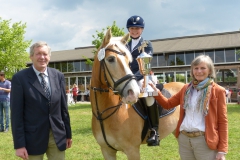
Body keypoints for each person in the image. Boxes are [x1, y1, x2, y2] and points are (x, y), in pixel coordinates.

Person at [149, 55, 228, 160]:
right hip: (184, 140)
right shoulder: (186, 88)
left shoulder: (218, 91)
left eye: (203, 68)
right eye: (196, 68)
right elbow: (168, 104)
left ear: (209, 70)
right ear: (192, 71)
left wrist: (222, 150)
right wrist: (156, 92)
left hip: (204, 140)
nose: (199, 71)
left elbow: (223, 121)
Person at [10, 41, 72, 160]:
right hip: (32, 138)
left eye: (45, 54)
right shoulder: (20, 78)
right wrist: (19, 145)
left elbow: (63, 108)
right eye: (38, 54)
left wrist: (68, 134)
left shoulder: (58, 76)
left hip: (57, 135)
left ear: (49, 56)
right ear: (31, 57)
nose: (42, 57)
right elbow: (16, 115)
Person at [126, 15, 159, 146]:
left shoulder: (147, 44)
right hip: (126, 77)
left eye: (137, 28)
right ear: (129, 29)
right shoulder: (124, 44)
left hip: (142, 77)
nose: (135, 31)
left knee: (149, 96)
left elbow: (146, 65)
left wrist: (133, 78)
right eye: (132, 28)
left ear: (142, 30)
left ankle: (154, 130)